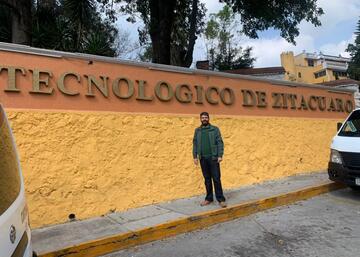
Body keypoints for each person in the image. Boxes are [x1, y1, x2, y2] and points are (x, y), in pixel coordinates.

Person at [193, 112, 227, 208]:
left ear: (208, 118)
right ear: (200, 119)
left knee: (216, 178)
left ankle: (221, 199)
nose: (204, 119)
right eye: (202, 117)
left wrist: (220, 155)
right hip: (203, 158)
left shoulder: (214, 129)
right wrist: (195, 156)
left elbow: (220, 142)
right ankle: (209, 198)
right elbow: (195, 144)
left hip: (213, 158)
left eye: (206, 117)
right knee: (207, 179)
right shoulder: (197, 131)